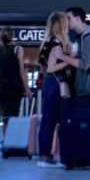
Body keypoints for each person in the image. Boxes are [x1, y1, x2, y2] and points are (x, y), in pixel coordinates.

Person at [37, 13, 70, 169]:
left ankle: (43, 155)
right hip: (56, 83)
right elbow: (52, 68)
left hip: (47, 83)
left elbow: (44, 67)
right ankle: (45, 158)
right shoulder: (57, 42)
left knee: (45, 121)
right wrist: (69, 59)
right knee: (51, 121)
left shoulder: (46, 42)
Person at [51, 7, 90, 99]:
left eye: (68, 18)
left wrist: (61, 56)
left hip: (88, 90)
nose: (66, 21)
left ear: (77, 18)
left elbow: (85, 64)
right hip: (80, 89)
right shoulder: (79, 37)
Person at [0, 27, 32, 136]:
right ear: (12, 36)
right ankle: (10, 142)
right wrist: (27, 89)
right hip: (13, 87)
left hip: (1, 87)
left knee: (5, 117)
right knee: (11, 116)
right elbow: (21, 71)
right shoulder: (17, 48)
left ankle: (5, 142)